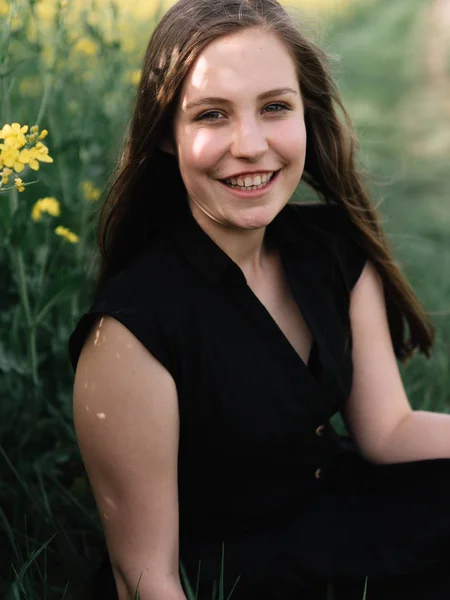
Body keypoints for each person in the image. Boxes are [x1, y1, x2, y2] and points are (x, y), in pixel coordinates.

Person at [68, 0, 450, 598]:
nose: (249, 145)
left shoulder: (332, 248)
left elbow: (389, 431)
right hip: (234, 575)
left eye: (274, 107)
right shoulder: (132, 331)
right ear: (166, 135)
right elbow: (144, 576)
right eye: (212, 115)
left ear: (306, 113)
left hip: (341, 520)